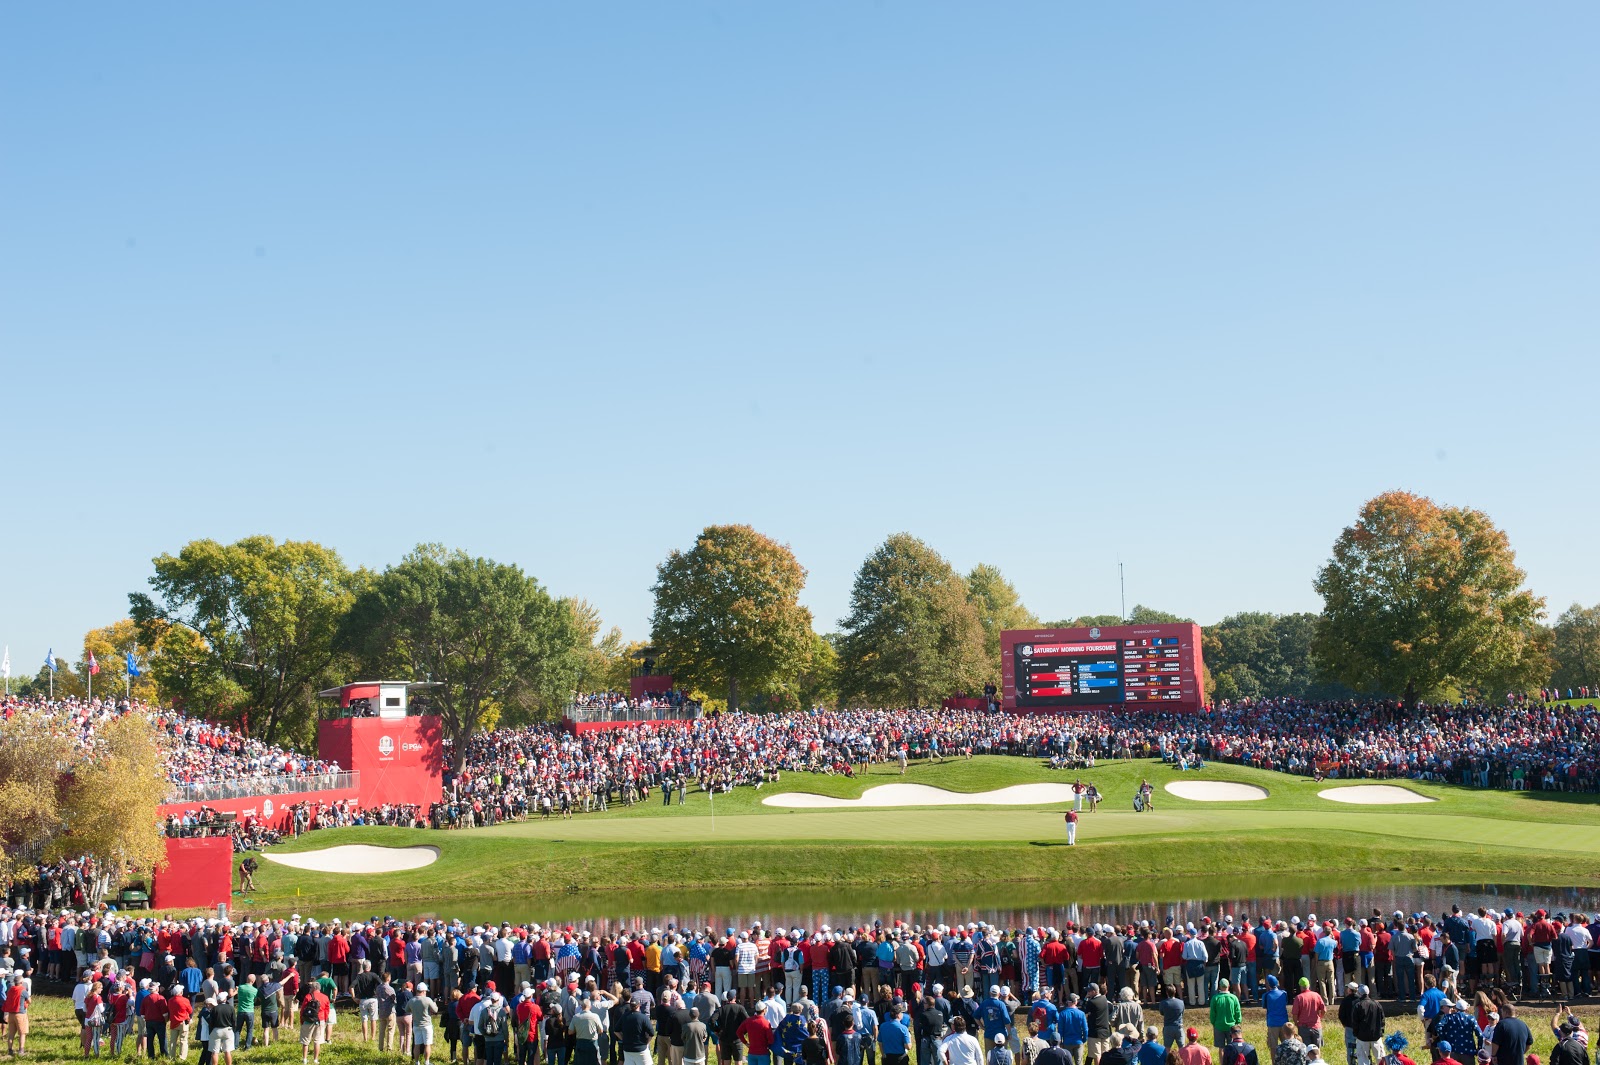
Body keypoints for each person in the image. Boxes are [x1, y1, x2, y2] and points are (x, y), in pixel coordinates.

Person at [1206, 983, 1239, 1052]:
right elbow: (1237, 1012)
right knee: (1232, 1047)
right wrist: (1237, 1022)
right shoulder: (1234, 998)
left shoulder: (1215, 998)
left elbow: (1212, 1013)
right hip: (1231, 1026)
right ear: (1229, 986)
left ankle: (1222, 1062)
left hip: (1219, 1026)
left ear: (1219, 987)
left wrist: (1214, 1023)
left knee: (1221, 1048)